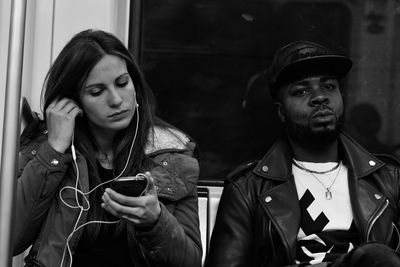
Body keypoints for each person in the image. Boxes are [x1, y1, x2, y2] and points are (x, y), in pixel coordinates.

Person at [13, 29, 202, 267]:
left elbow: (191, 261)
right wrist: (54, 151)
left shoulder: (172, 154)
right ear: (72, 101)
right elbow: (9, 239)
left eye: (122, 83)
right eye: (97, 91)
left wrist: (156, 222)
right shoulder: (43, 149)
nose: (116, 99)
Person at [206, 40, 400, 267]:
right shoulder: (247, 189)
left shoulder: (389, 180)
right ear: (281, 111)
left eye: (329, 87)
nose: (320, 97)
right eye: (301, 91)